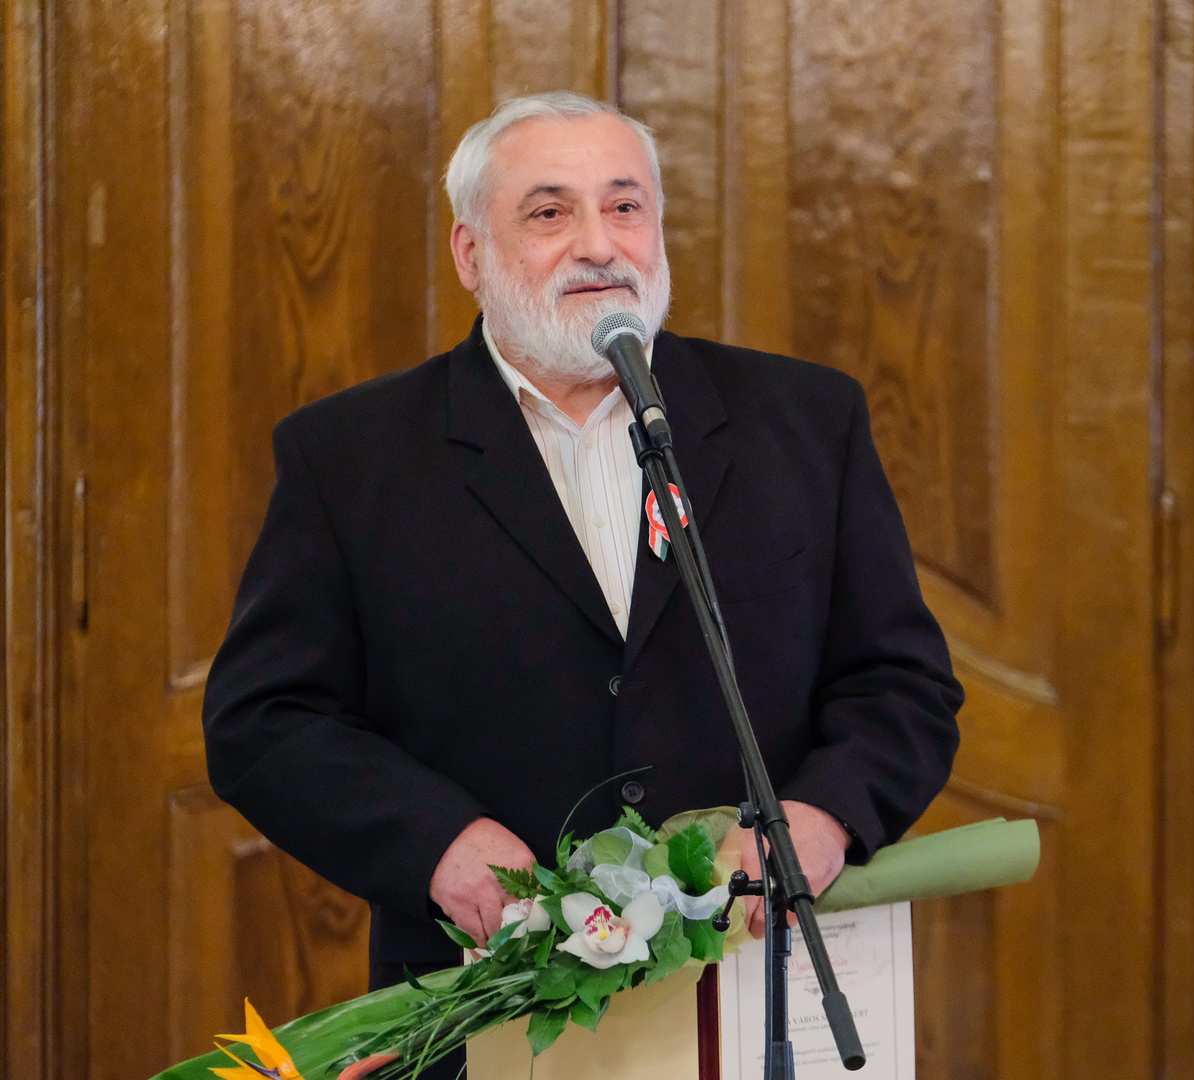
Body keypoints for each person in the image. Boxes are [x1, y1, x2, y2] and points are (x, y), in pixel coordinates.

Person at [202, 91, 961, 1050]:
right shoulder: (351, 456)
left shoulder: (805, 420)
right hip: (491, 997)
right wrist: (437, 845)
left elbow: (901, 683)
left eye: (625, 206)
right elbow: (266, 719)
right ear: (471, 254)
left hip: (755, 985)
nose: (600, 245)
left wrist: (821, 815)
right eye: (550, 212)